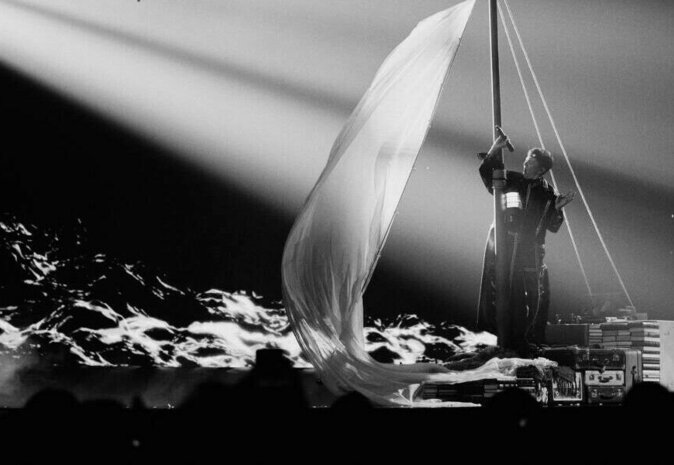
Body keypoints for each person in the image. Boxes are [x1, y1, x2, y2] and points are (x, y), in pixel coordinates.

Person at [476, 129, 575, 356]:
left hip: (529, 249)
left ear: (540, 169)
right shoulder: (511, 180)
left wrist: (557, 209)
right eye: (526, 159)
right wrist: (495, 148)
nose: (525, 163)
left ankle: (522, 338)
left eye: (530, 161)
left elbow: (552, 226)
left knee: (529, 293)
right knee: (498, 287)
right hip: (504, 243)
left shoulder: (548, 193)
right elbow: (487, 174)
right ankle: (497, 337)